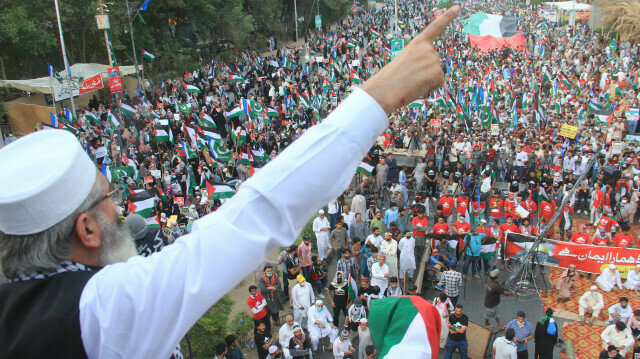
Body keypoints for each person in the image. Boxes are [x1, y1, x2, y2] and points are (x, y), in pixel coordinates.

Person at [0, 6, 462, 358]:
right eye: (110, 198)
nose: (121, 208)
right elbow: (254, 218)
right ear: (86, 230)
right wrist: (380, 95)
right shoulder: (97, 315)